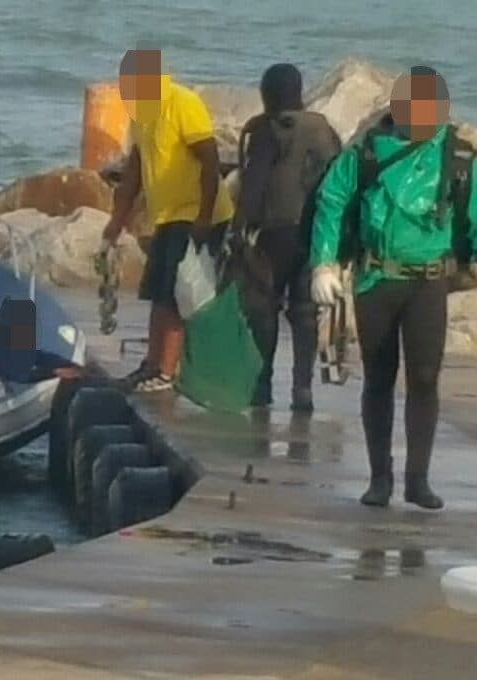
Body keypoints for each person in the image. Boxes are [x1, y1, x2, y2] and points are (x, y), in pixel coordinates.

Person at [309, 66, 477, 511]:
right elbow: (332, 200)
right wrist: (323, 264)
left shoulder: (458, 159)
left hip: (427, 284)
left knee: (424, 379)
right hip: (376, 280)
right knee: (379, 378)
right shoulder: (365, 154)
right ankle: (378, 478)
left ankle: (417, 480)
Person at [102, 49, 235, 393]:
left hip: (195, 213)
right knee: (157, 292)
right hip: (167, 215)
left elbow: (209, 159)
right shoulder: (141, 113)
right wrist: (117, 219)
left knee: (177, 294)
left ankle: (165, 372)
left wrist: (204, 216)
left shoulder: (182, 103)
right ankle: (151, 365)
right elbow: (135, 168)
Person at [233, 63, 343, 411]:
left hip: (273, 234)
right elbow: (337, 181)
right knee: (305, 312)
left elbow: (255, 183)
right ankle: (302, 388)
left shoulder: (265, 131)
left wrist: (239, 228)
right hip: (312, 233)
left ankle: (262, 384)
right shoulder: (323, 130)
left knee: (263, 308)